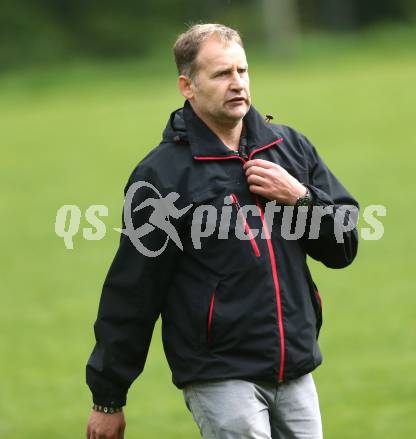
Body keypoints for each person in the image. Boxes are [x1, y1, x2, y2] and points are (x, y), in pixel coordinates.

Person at [85, 23, 359, 439]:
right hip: (220, 375)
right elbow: (133, 290)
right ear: (187, 86)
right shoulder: (161, 176)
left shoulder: (289, 149)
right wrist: (108, 397)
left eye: (242, 71)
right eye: (221, 74)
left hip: (295, 367)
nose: (237, 84)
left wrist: (301, 199)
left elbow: (344, 247)